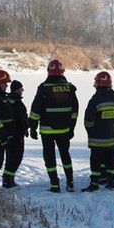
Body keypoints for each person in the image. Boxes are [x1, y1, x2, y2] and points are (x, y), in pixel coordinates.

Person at [29, 59, 79, 193]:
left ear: (48, 71)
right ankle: (70, 182)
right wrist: (72, 127)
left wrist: (32, 127)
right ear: (62, 72)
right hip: (65, 130)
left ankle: (55, 185)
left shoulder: (44, 88)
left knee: (49, 156)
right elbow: (75, 111)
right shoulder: (69, 88)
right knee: (65, 154)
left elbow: (36, 109)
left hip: (47, 130)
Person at [80, 71, 114, 192]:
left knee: (95, 160)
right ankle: (111, 182)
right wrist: (111, 125)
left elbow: (88, 120)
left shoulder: (95, 100)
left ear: (99, 83)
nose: (94, 84)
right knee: (110, 159)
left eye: (95, 81)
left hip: (97, 138)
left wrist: (91, 130)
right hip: (110, 138)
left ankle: (94, 183)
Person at [2, 79, 31, 188]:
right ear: (16, 90)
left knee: (12, 157)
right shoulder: (14, 102)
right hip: (15, 135)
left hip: (14, 134)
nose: (22, 90)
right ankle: (8, 179)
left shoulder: (12, 100)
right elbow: (19, 118)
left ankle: (9, 178)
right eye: (21, 88)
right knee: (15, 157)